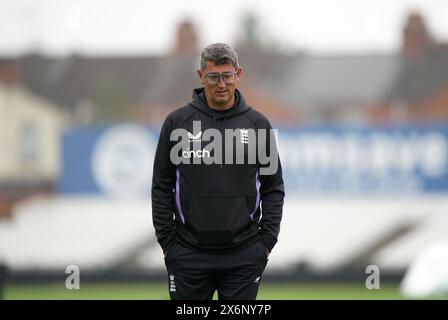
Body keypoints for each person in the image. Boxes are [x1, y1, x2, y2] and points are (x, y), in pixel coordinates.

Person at [151, 43, 285, 300]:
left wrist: (265, 244)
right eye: (213, 76)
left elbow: (273, 187)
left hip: (244, 255)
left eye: (227, 75)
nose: (221, 84)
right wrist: (168, 244)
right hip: (187, 254)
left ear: (238, 74)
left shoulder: (258, 125)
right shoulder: (177, 123)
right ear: (201, 76)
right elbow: (161, 185)